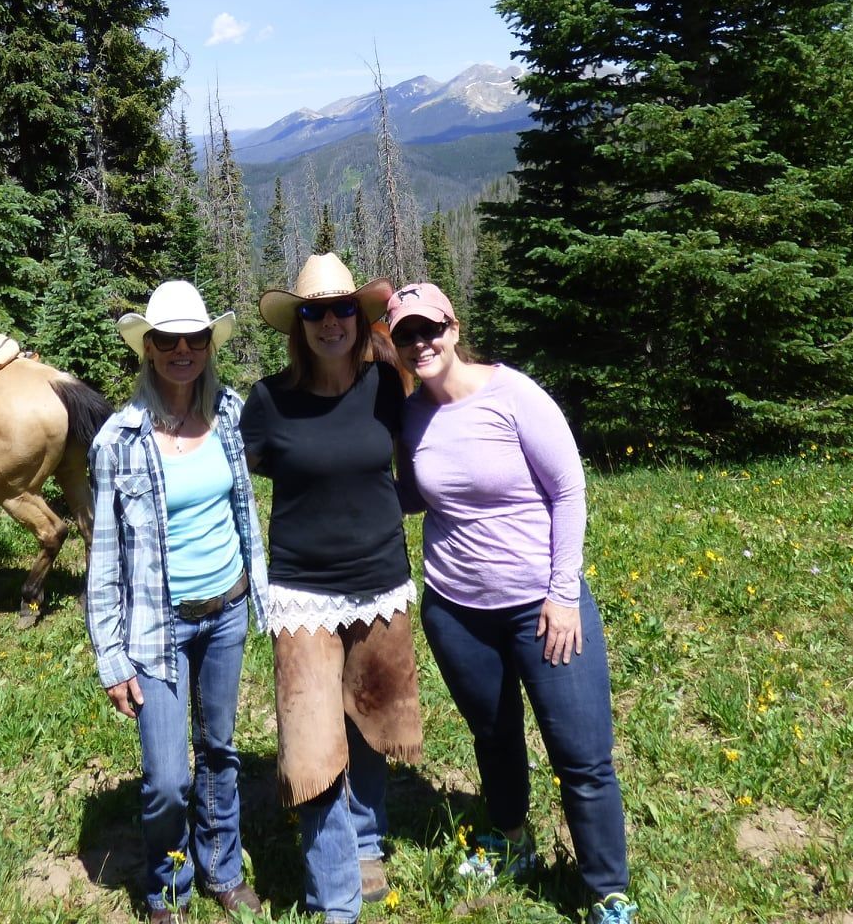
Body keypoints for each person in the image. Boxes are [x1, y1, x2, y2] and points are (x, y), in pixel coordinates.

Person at [386, 282, 637, 924]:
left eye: (430, 329)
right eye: (406, 334)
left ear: (454, 326)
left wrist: (562, 594)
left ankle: (607, 889)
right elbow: (418, 498)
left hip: (540, 606)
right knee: (493, 734)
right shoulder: (413, 414)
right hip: (455, 606)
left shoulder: (512, 394)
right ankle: (510, 837)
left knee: (581, 753)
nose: (421, 343)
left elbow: (568, 489)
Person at [240, 253, 423, 923]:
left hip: (380, 583)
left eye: (341, 308)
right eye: (313, 312)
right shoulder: (268, 400)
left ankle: (367, 841)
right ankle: (334, 900)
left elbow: (427, 450)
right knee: (313, 746)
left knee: (371, 718)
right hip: (302, 596)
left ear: (360, 316)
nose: (328, 322)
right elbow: (237, 474)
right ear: (299, 325)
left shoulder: (388, 388)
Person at [86, 280, 270, 923]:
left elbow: (250, 502)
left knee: (219, 748)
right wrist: (110, 656)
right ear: (150, 349)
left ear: (208, 346)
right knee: (167, 778)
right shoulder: (119, 439)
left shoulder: (232, 413)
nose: (182, 350)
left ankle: (221, 867)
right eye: (169, 340)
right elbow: (104, 557)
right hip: (154, 626)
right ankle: (169, 882)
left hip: (228, 609)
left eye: (194, 339)